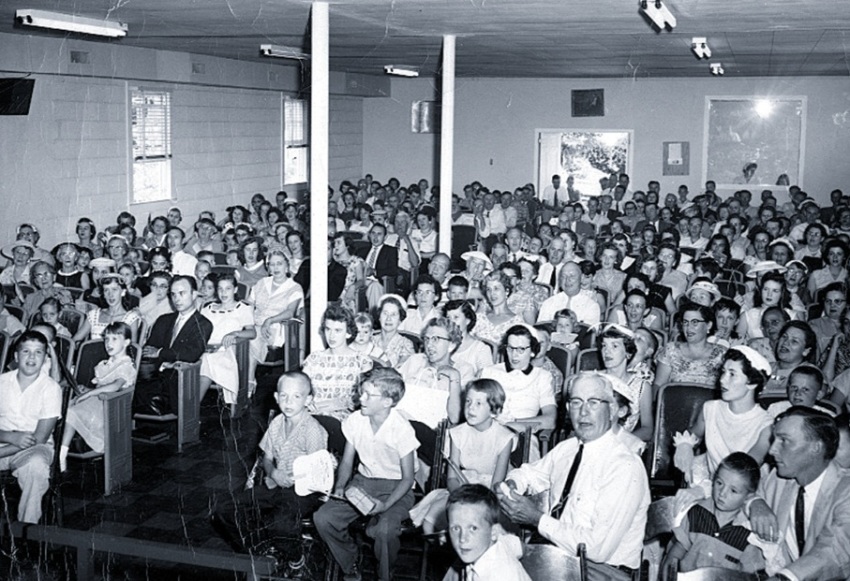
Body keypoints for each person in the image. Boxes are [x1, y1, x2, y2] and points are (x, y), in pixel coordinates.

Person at [497, 372, 650, 579]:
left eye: (593, 403)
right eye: (576, 402)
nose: (584, 412)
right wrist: (513, 483)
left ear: (612, 409)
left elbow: (597, 549)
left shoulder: (624, 466)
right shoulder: (568, 448)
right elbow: (531, 473)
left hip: (601, 572)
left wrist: (537, 519)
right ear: (568, 409)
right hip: (557, 557)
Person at [211, 372, 327, 576]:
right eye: (284, 396)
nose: (288, 402)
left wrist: (292, 479)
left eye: (296, 397)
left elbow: (318, 472)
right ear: (276, 397)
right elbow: (266, 458)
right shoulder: (277, 422)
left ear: (308, 400)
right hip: (276, 484)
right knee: (225, 509)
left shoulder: (312, 430)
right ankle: (261, 549)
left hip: (303, 491)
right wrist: (273, 472)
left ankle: (295, 556)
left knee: (278, 522)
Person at [314, 367, 420, 581]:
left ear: (387, 401)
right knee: (323, 518)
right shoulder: (356, 420)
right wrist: (341, 487)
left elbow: (408, 479)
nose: (360, 398)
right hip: (363, 483)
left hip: (397, 487)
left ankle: (384, 574)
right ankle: (351, 562)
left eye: (368, 395)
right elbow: (346, 461)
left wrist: (386, 505)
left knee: (385, 530)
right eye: (360, 392)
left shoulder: (401, 428)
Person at [747, 407, 850, 580]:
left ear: (816, 447)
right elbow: (743, 493)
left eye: (784, 440)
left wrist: (786, 578)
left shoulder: (845, 490)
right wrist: (756, 503)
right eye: (774, 439)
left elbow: (835, 550)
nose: (771, 450)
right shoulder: (778, 478)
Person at [410, 380, 514, 535]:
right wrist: (461, 496)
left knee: (477, 523)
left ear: (494, 410)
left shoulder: (504, 438)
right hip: (460, 489)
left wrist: (475, 501)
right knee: (429, 520)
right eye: (468, 401)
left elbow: (497, 483)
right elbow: (452, 478)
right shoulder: (458, 433)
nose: (471, 408)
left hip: (489, 494)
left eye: (479, 403)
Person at [674, 346, 773, 498]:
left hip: (744, 496)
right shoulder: (710, 408)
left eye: (732, 374)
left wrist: (703, 490)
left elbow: (742, 472)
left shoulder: (765, 424)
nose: (722, 380)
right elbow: (693, 434)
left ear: (752, 383)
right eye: (723, 372)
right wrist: (685, 444)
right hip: (711, 485)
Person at [661, 452, 766, 579]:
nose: (722, 493)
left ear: (748, 497)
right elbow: (675, 555)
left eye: (733, 491)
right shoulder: (697, 513)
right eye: (719, 483)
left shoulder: (749, 534)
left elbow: (752, 576)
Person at [0, 331, 62, 523]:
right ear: (16, 356)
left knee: (36, 467)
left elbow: (40, 437)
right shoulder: (2, 382)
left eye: (38, 352)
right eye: (26, 351)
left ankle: (26, 528)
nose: (32, 357)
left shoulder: (50, 388)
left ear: (45, 358)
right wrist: (10, 437)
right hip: (3, 442)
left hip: (35, 448)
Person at [59, 322, 136, 471]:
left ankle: (62, 454)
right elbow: (100, 387)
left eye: (114, 339)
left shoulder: (126, 365)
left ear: (126, 342)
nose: (108, 343)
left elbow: (115, 386)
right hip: (97, 400)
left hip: (109, 406)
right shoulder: (104, 364)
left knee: (72, 412)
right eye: (106, 339)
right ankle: (59, 449)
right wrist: (86, 389)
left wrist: (90, 393)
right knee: (67, 406)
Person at [133, 276, 213, 416]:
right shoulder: (163, 320)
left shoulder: (203, 324)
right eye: (173, 294)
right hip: (155, 375)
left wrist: (160, 353)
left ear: (194, 294)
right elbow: (148, 350)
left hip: (179, 380)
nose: (177, 299)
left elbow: (191, 354)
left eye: (182, 293)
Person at [441, 484, 530, 581]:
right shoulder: (499, 543)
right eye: (456, 528)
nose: (462, 538)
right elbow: (521, 547)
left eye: (473, 528)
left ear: (494, 532)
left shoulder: (496, 575)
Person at [479, 325, 556, 435]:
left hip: (523, 436)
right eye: (510, 348)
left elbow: (550, 420)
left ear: (533, 351)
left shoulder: (543, 377)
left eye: (521, 349)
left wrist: (511, 424)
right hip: (487, 434)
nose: (514, 355)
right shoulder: (488, 372)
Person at [397, 317, 472, 428]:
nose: (429, 345)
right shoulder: (415, 360)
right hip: (402, 424)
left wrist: (454, 378)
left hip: (434, 434)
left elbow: (455, 418)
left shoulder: (463, 370)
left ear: (451, 345)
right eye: (427, 339)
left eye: (436, 339)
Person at [302, 305, 373, 421]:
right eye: (328, 329)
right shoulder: (313, 359)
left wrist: (335, 404)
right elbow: (301, 389)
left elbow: (366, 397)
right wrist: (306, 400)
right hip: (313, 417)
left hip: (345, 420)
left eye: (338, 331)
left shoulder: (362, 361)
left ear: (348, 333)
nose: (331, 336)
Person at [199, 273, 257, 403]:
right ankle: (188, 408)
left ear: (235, 290)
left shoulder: (243, 308)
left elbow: (252, 333)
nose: (223, 292)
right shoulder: (208, 308)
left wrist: (235, 333)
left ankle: (191, 408)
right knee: (203, 359)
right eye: (220, 288)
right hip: (206, 349)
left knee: (207, 361)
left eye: (228, 288)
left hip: (228, 351)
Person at [247, 250, 303, 376]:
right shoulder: (261, 283)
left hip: (276, 327)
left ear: (287, 266)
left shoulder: (294, 287)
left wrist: (269, 320)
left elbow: (290, 312)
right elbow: (249, 304)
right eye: (272, 264)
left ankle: (249, 381)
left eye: (279, 263)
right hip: (254, 324)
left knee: (252, 338)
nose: (275, 267)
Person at [654, 301, 727, 391]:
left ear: (709, 325)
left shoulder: (722, 354)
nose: (688, 327)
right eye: (685, 322)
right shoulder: (670, 350)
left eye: (695, 322)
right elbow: (658, 386)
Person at [599, 325, 654, 441]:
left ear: (628, 353)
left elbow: (647, 429)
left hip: (623, 445)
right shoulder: (593, 379)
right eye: (604, 346)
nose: (606, 351)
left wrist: (621, 443)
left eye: (614, 346)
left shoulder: (642, 387)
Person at [72, 273, 141, 343]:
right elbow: (74, 341)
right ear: (103, 295)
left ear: (123, 292)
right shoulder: (94, 315)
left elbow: (132, 349)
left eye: (114, 289)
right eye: (106, 290)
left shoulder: (131, 319)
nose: (110, 294)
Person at [537, 261, 601, 325]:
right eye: (564, 276)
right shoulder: (549, 303)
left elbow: (590, 333)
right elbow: (541, 330)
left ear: (581, 278)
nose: (567, 280)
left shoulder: (591, 306)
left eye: (572, 276)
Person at [443, 300, 494, 376]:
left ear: (467, 320)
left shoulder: (480, 349)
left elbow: (486, 381)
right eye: (448, 318)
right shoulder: (442, 345)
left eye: (456, 317)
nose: (451, 322)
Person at [472, 271, 524, 344]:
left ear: (507, 291)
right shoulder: (479, 318)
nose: (492, 293)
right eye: (488, 289)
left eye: (496, 288)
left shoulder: (516, 322)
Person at [374, 295, 416, 367]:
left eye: (393, 314)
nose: (388, 318)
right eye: (385, 313)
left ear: (400, 320)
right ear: (379, 317)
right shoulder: (369, 340)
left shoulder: (405, 344)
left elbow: (403, 370)